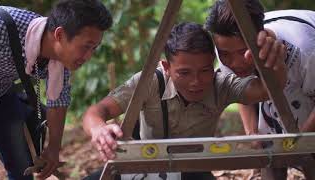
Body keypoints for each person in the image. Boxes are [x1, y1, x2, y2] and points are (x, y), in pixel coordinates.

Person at [82, 22, 286, 180]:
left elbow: (267, 90)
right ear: (166, 67)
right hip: (146, 168)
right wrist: (99, 130)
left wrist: (272, 55)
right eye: (184, 73)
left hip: (193, 172)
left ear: (213, 65)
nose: (196, 82)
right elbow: (96, 111)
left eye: (205, 71)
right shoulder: (148, 82)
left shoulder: (222, 84)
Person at [0, 0, 112, 179]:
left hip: (1, 94)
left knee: (22, 164)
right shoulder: (0, 26)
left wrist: (53, 149)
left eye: (94, 49)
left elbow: (58, 101)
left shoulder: (60, 59)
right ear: (59, 34)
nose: (88, 56)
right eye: (85, 47)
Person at [205, 0, 315, 179]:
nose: (235, 63)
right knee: (269, 149)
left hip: (307, 84)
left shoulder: (306, 50)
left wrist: (300, 144)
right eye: (226, 55)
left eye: (243, 52)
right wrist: (252, 133)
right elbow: (241, 89)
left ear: (261, 36)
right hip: (274, 88)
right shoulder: (224, 47)